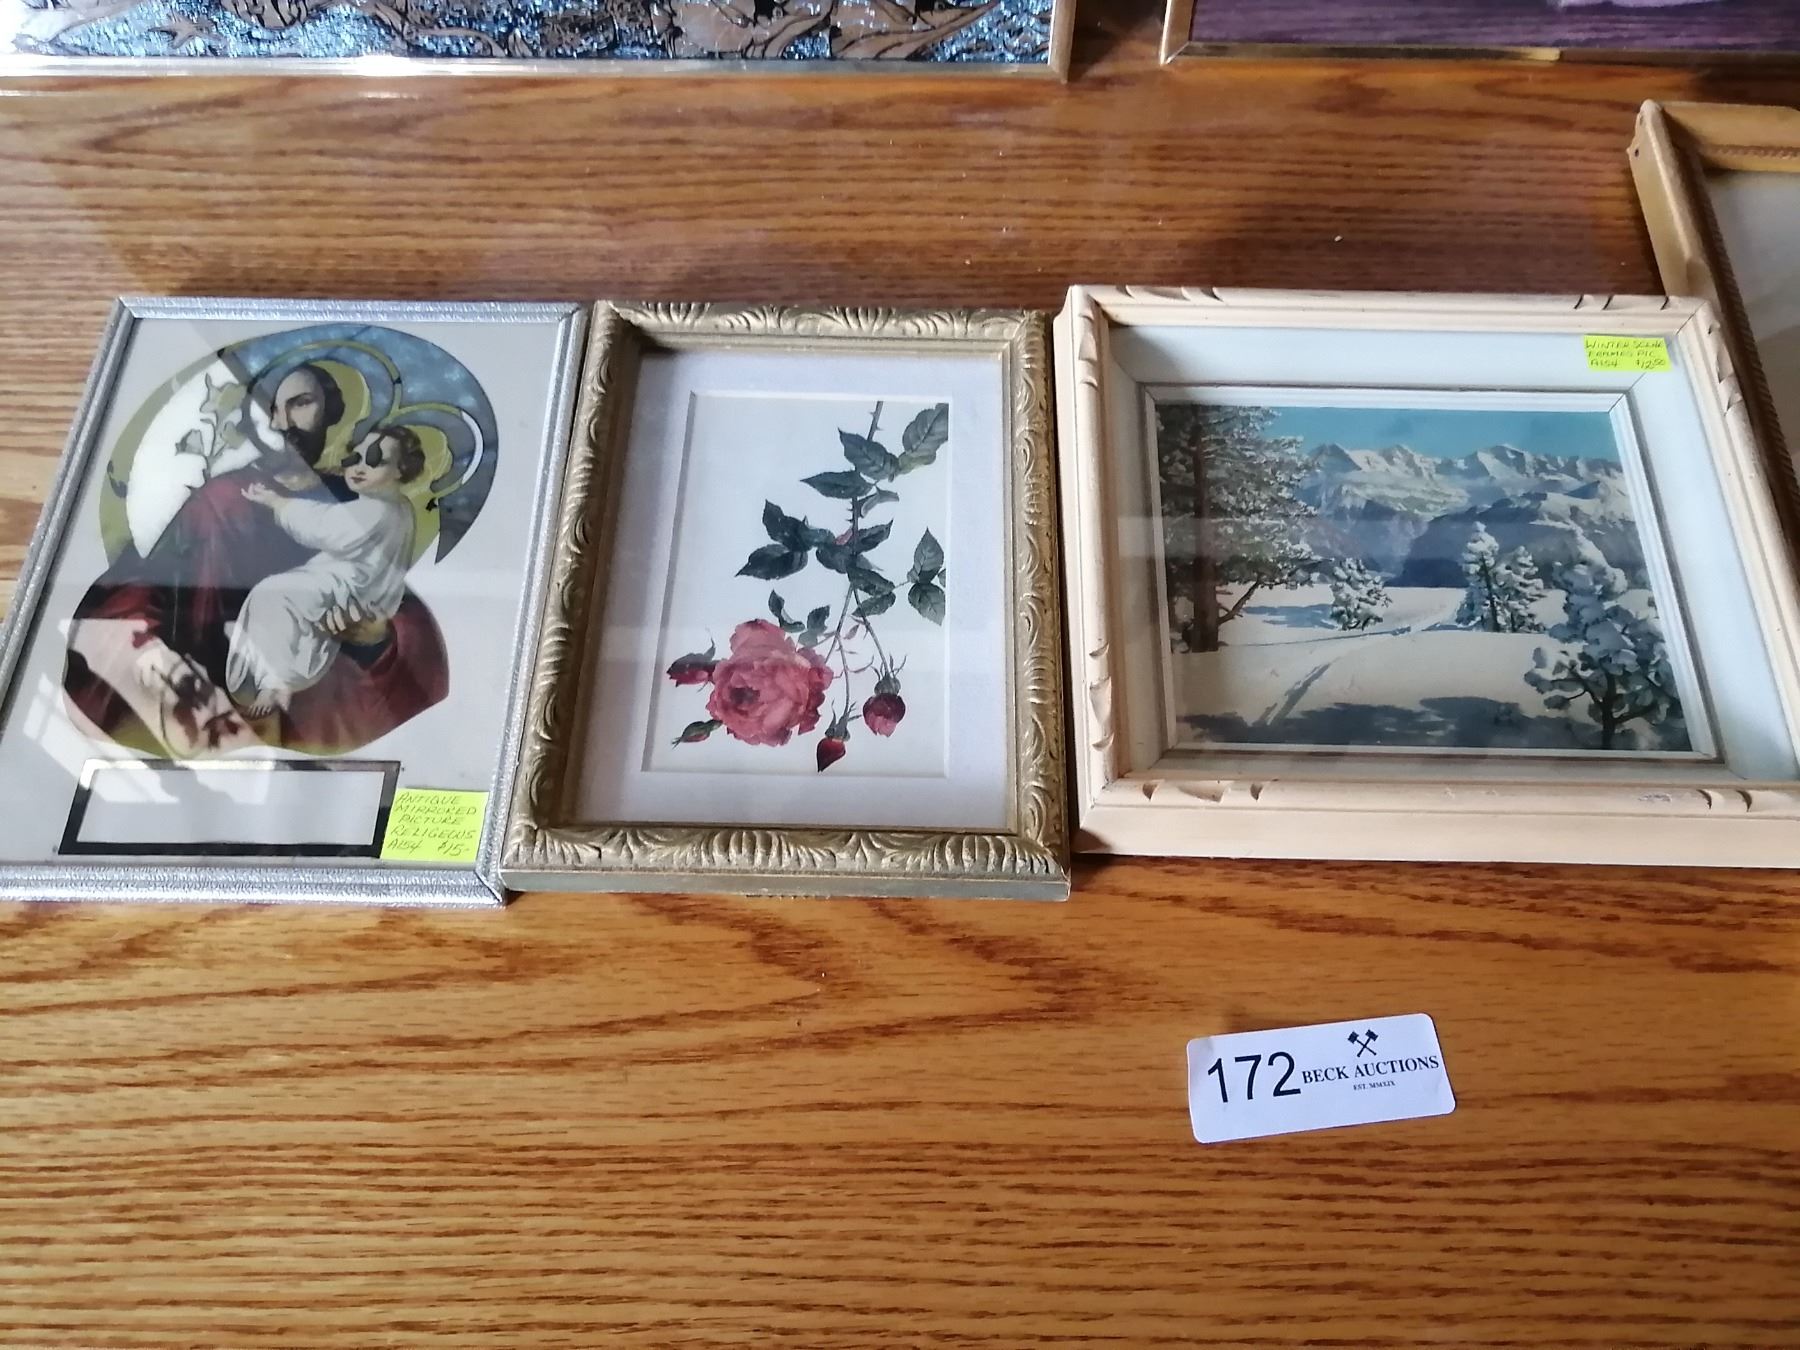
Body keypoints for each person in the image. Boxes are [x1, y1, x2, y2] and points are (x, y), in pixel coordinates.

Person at [64, 362, 450, 757]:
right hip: (209, 698)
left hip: (313, 713)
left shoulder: (365, 503)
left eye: (300, 404)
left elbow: (400, 606)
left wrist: (375, 641)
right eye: (271, 410)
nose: (283, 423)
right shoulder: (223, 497)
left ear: (335, 414)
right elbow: (149, 581)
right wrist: (145, 646)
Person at [226, 424, 425, 721]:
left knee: (274, 594)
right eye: (355, 458)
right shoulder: (396, 504)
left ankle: (277, 682)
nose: (360, 467)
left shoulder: (380, 509)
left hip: (354, 588)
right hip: (358, 582)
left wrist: (276, 502)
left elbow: (323, 526)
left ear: (401, 470)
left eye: (375, 460)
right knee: (281, 598)